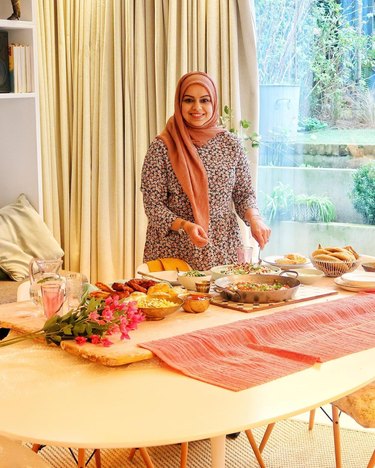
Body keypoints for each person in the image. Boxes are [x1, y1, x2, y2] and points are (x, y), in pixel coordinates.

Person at [141, 71, 271, 270]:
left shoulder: (231, 144)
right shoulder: (162, 147)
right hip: (175, 250)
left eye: (204, 100)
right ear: (179, 103)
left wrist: (255, 219)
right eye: (188, 100)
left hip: (222, 248)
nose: (197, 107)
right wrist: (186, 226)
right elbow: (153, 206)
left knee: (225, 300)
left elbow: (243, 194)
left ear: (213, 103)